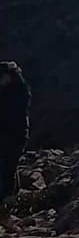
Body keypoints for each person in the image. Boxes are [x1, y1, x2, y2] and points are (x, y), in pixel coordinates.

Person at [0, 61, 30, 207]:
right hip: (10, 133)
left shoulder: (18, 92)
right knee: (9, 165)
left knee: (8, 165)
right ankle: (11, 194)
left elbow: (13, 114)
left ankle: (8, 198)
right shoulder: (15, 90)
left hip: (16, 134)